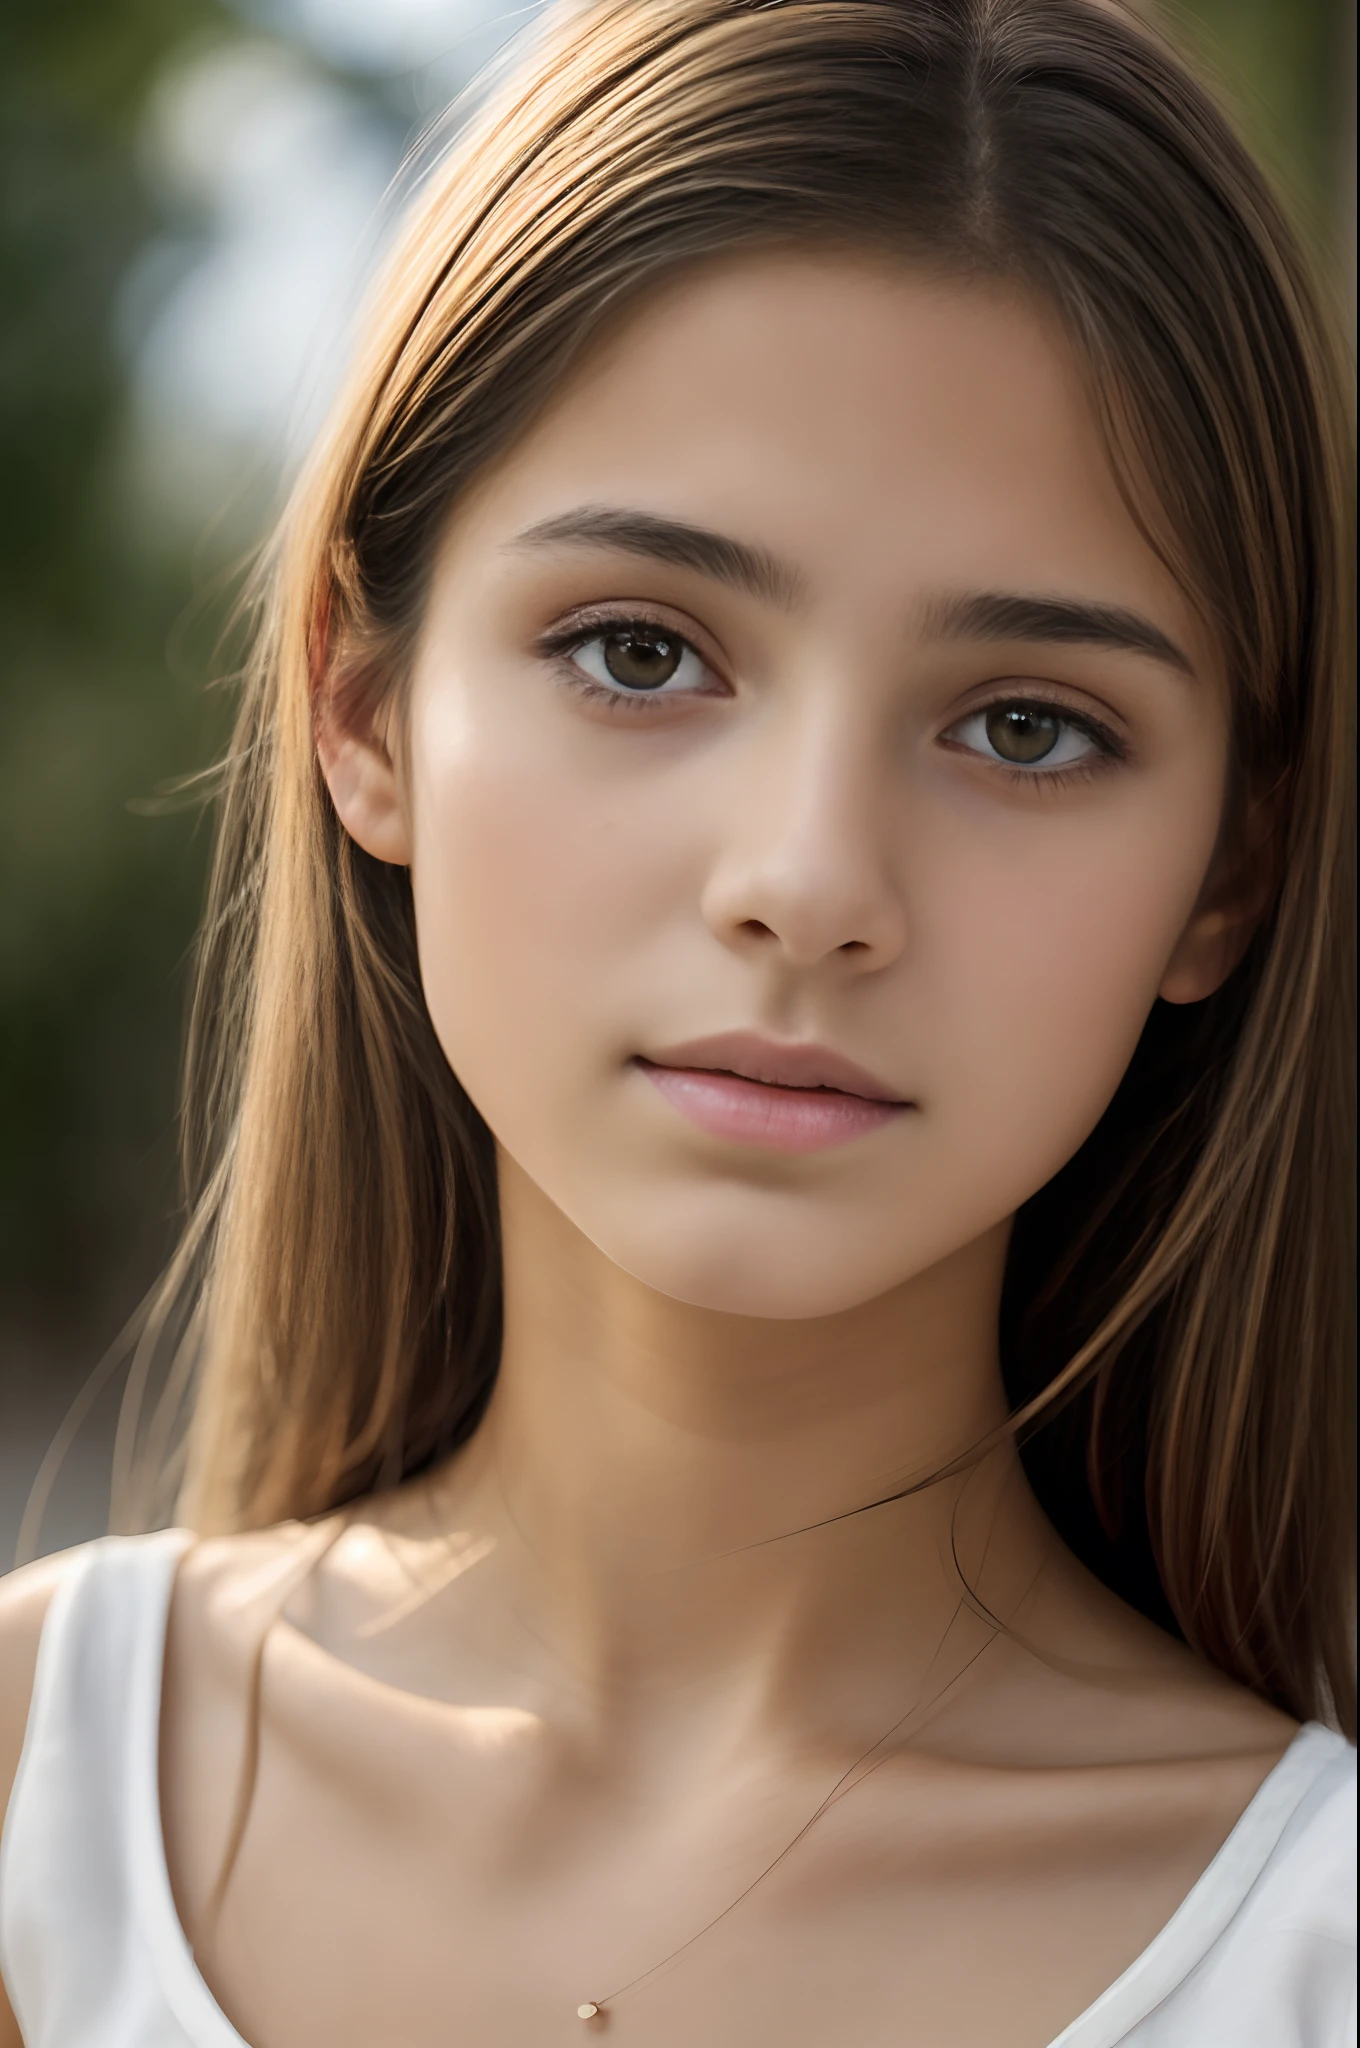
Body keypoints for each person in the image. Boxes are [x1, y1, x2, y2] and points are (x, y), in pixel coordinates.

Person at [0, 0, 1353, 2041]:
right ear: (361, 706)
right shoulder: (36, 1794)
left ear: (1227, 872)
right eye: (640, 651)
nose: (806, 878)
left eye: (1023, 724)